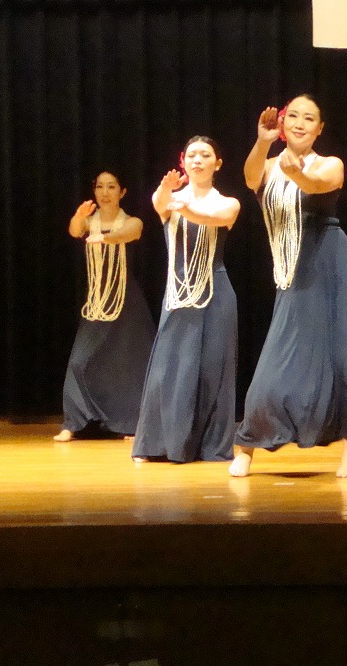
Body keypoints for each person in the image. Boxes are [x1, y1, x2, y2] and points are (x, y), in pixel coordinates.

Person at [230, 94, 347, 478]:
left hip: (336, 270)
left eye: (309, 119)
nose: (300, 123)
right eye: (294, 116)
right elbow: (251, 179)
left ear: (319, 129)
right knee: (274, 366)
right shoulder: (269, 165)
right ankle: (247, 445)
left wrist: (298, 174)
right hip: (294, 274)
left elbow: (318, 184)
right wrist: (262, 142)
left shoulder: (330, 164)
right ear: (282, 124)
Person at [131, 136, 241, 463]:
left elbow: (213, 219)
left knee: (212, 370)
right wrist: (167, 191)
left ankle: (209, 446)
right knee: (169, 367)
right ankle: (158, 444)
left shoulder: (228, 203)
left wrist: (188, 209)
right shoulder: (172, 200)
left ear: (217, 164)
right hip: (179, 294)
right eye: (191, 155)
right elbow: (159, 203)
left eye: (205, 155)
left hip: (215, 292)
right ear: (183, 161)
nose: (197, 160)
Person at [55, 171, 155, 441]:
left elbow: (129, 233)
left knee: (130, 364)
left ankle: (131, 424)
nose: (105, 192)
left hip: (126, 301)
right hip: (97, 303)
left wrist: (106, 238)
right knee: (80, 361)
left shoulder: (132, 221)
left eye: (111, 187)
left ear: (122, 192)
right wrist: (79, 216)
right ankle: (74, 422)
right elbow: (75, 230)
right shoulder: (90, 222)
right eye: (100, 187)